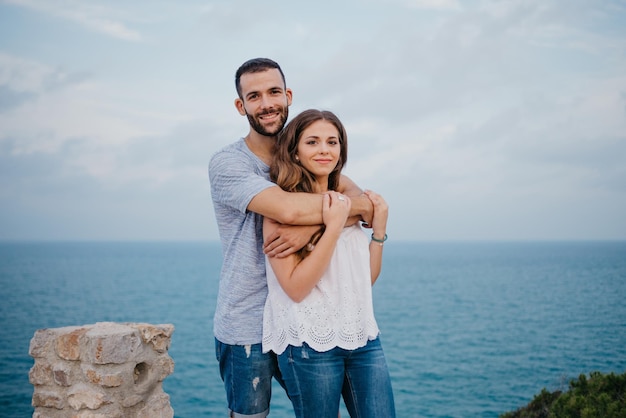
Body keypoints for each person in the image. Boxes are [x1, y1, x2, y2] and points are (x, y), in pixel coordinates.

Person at [208, 58, 373, 417]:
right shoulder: (228, 164)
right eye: (254, 96)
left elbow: (364, 205)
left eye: (273, 92)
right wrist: (322, 220)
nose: (266, 103)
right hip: (247, 323)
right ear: (241, 106)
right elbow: (289, 210)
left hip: (304, 321)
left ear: (288, 96)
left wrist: (318, 225)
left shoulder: (306, 151)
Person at [262, 109, 396, 418]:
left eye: (332, 142)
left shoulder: (347, 199)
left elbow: (366, 280)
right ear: (294, 152)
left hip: (362, 338)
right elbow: (295, 289)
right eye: (313, 142)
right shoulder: (280, 209)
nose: (325, 149)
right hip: (309, 344)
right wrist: (333, 227)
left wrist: (378, 232)